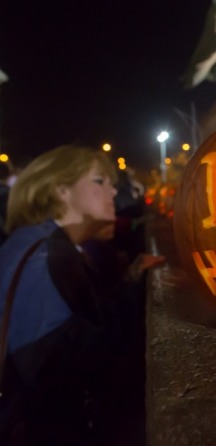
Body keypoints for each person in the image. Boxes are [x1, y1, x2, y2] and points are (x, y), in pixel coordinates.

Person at [0, 145, 164, 445]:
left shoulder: (39, 243)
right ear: (62, 190)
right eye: (99, 181)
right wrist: (131, 287)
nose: (113, 191)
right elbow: (54, 364)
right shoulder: (45, 254)